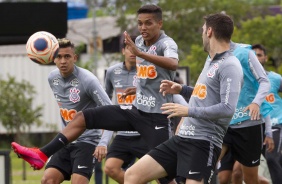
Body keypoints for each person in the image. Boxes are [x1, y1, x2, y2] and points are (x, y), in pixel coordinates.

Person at [11, 4, 179, 181]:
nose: (143, 28)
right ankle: (42, 154)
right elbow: (152, 75)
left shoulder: (166, 43)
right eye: (140, 23)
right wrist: (139, 89)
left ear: (160, 24)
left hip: (157, 118)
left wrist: (140, 54)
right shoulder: (138, 42)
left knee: (166, 176)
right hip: (136, 111)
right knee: (83, 117)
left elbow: (173, 63)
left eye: (148, 23)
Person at [123, 13, 244, 184]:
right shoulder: (211, 60)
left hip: (203, 142)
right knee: (132, 175)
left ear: (209, 31)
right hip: (182, 138)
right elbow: (205, 95)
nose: (202, 34)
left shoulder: (230, 65)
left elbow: (227, 108)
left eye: (203, 30)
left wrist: (188, 111)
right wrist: (182, 89)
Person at [15, 38, 113, 184]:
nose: (63, 61)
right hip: (65, 141)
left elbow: (110, 112)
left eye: (67, 56)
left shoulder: (88, 80)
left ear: (74, 58)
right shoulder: (52, 78)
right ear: (53, 58)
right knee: (47, 180)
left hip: (88, 142)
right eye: (59, 57)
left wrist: (103, 143)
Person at [216, 39, 272, 184]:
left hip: (248, 125)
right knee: (212, 169)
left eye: (260, 55)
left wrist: (256, 103)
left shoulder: (245, 53)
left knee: (245, 177)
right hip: (225, 124)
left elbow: (265, 84)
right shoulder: (212, 57)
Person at [252, 43, 282, 184]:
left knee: (271, 159)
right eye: (253, 55)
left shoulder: (275, 79)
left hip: (277, 124)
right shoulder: (245, 81)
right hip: (257, 128)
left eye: (259, 55)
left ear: (265, 58)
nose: (256, 58)